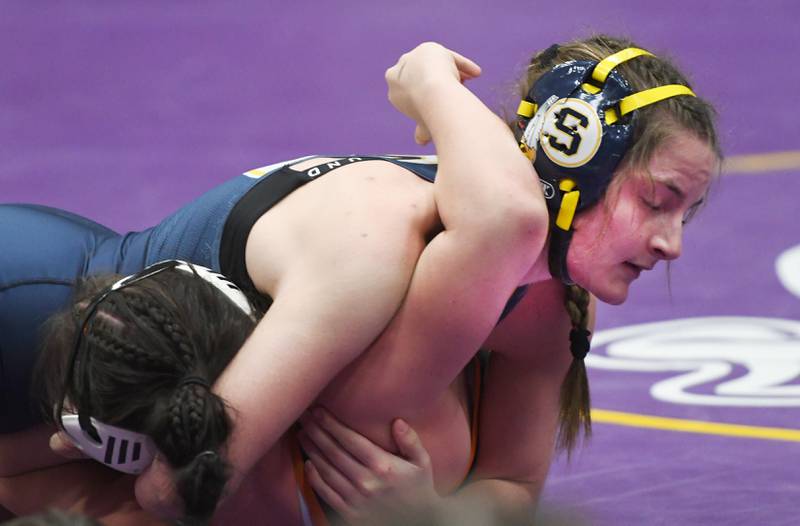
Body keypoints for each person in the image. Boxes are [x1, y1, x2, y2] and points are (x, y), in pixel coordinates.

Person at [0, 34, 720, 525]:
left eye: (687, 212)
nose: (674, 244)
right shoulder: (377, 248)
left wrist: (435, 513)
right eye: (657, 200)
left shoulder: (552, 306)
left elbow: (514, 485)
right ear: (576, 161)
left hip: (95, 365)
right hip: (29, 315)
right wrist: (435, 86)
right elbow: (178, 489)